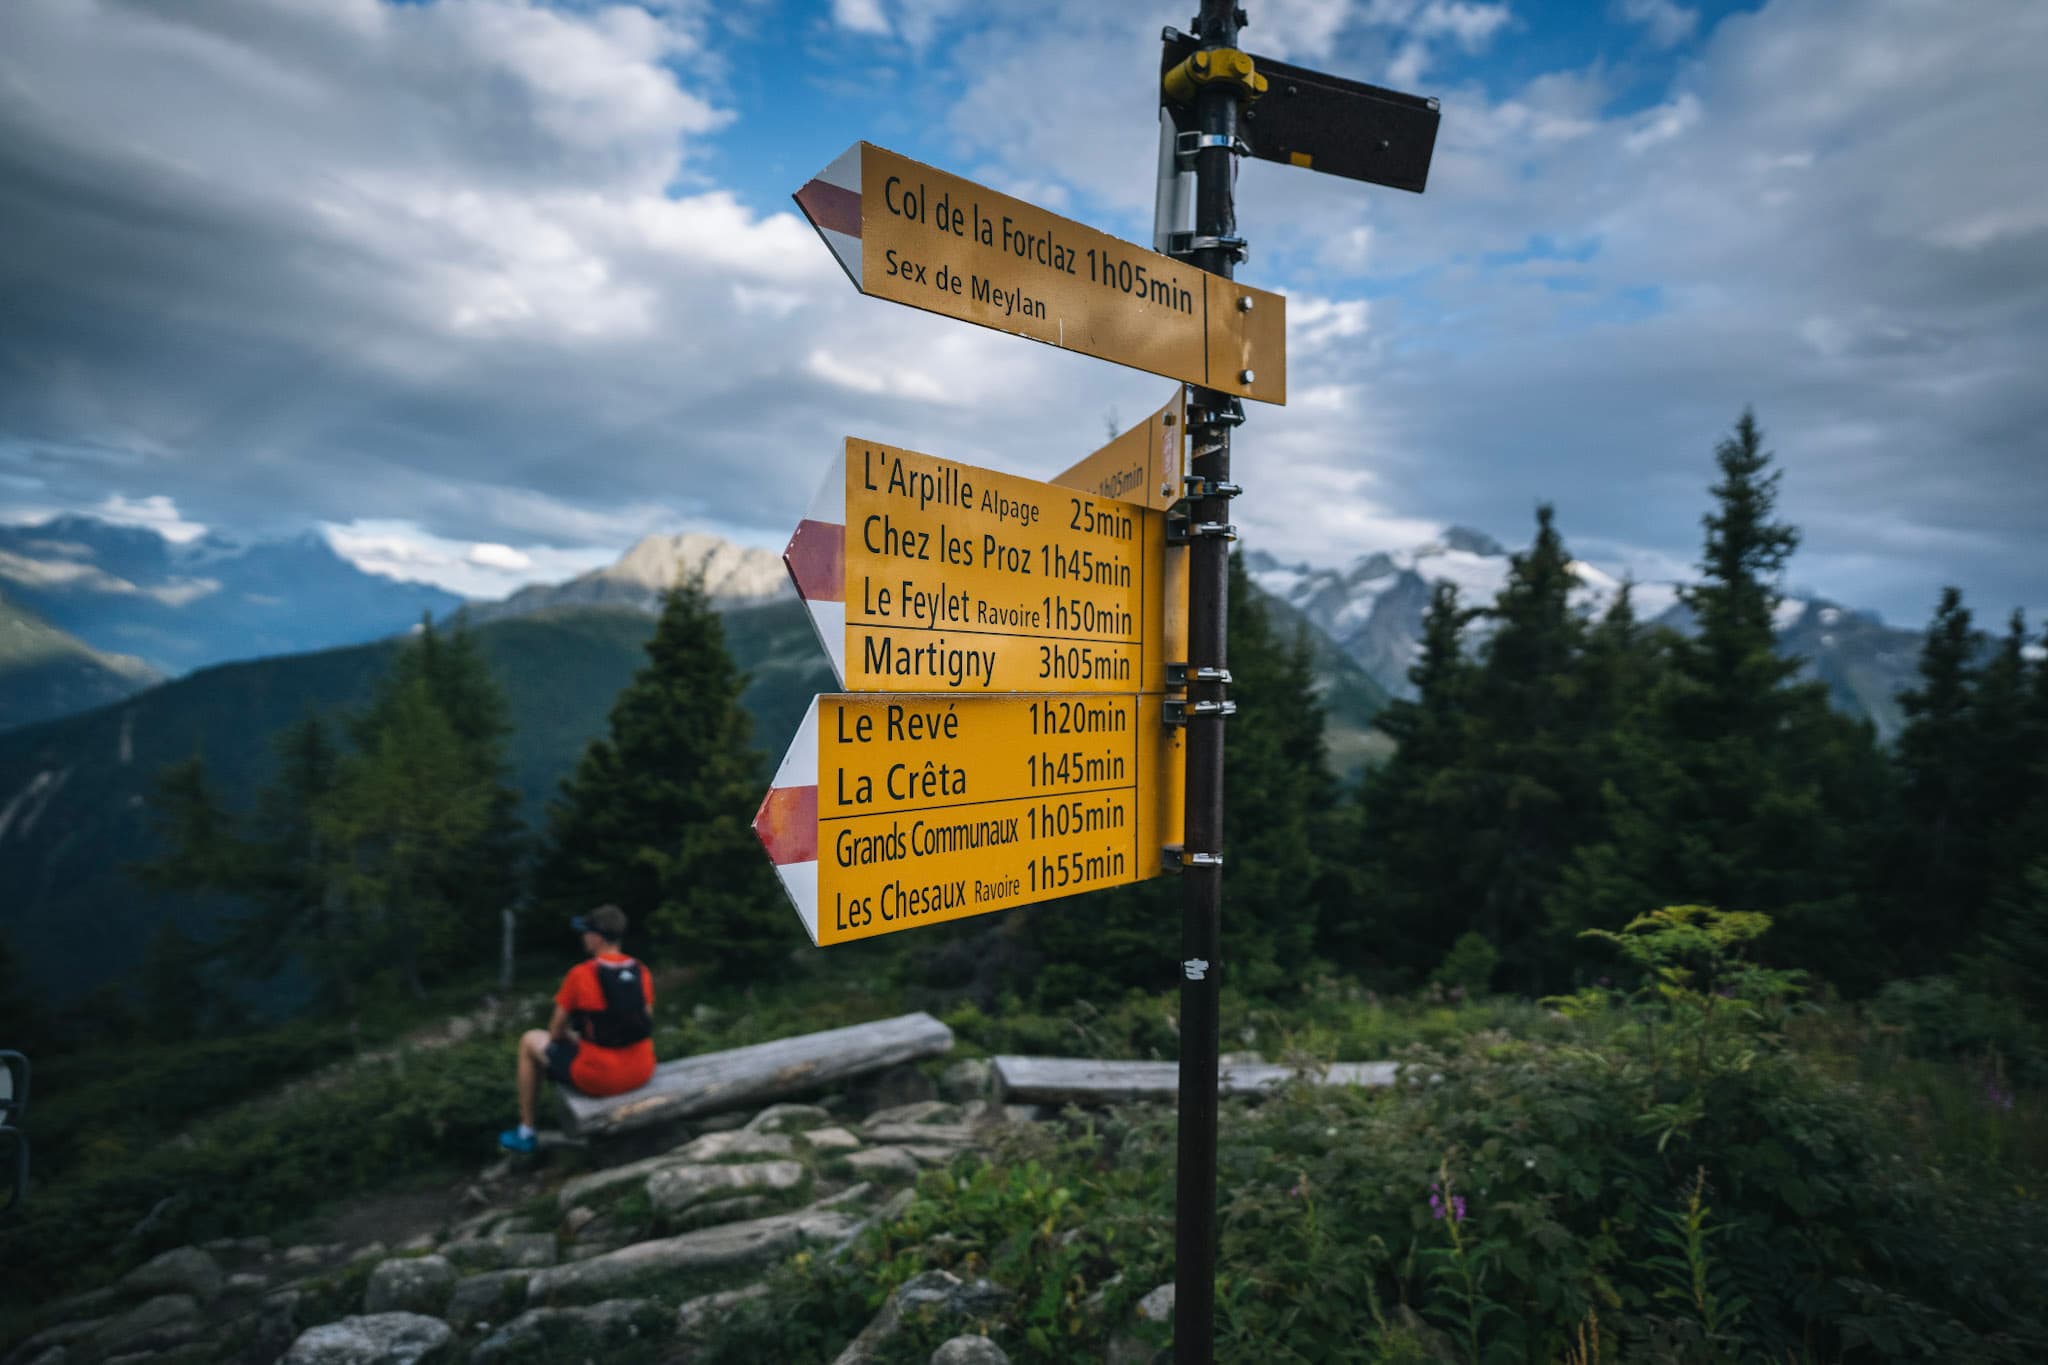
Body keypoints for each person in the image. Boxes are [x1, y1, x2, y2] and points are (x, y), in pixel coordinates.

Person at [498, 904, 655, 1153]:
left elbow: (555, 1033)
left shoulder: (581, 974)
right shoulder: (640, 970)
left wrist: (576, 1036)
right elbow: (644, 1020)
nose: (583, 937)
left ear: (596, 937)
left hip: (600, 1079)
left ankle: (526, 1131)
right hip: (642, 1069)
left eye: (586, 932)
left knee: (530, 1040)